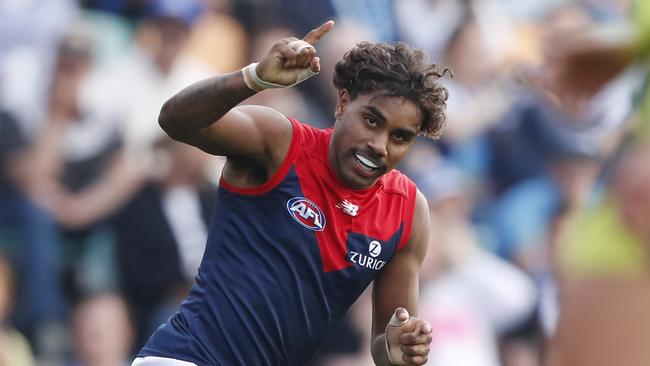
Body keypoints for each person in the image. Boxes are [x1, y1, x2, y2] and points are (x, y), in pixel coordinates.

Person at [133, 20, 449, 366]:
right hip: (186, 357)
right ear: (343, 103)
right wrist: (254, 78)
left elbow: (385, 345)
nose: (379, 145)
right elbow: (175, 120)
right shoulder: (280, 142)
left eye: (400, 137)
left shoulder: (407, 210)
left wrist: (400, 349)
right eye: (371, 120)